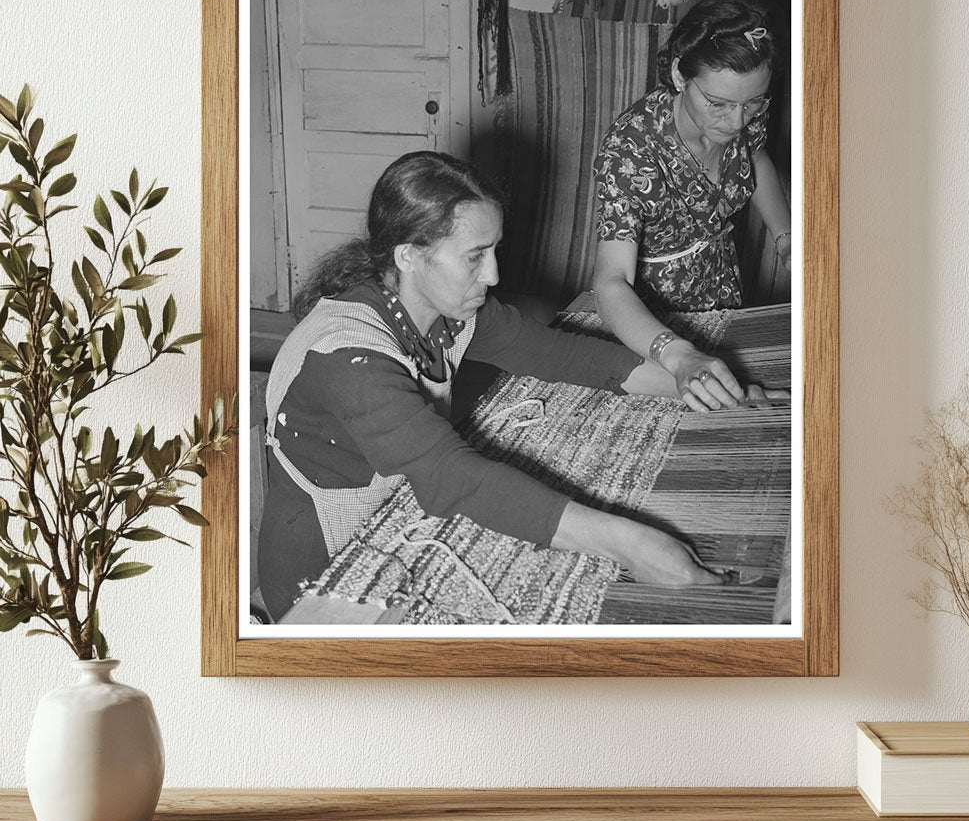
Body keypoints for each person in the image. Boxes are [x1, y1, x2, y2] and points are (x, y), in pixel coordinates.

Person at [258, 151, 731, 621]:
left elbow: (563, 355)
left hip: (396, 511)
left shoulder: (444, 308)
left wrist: (694, 381)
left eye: (494, 250)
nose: (494, 275)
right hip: (328, 567)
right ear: (409, 256)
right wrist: (631, 544)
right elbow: (450, 477)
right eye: (474, 257)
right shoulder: (347, 356)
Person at [592, 0, 792, 414]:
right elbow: (611, 282)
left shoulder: (743, 106)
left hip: (724, 289)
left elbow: (754, 155)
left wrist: (785, 236)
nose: (736, 121)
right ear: (680, 75)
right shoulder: (630, 152)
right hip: (653, 321)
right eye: (717, 104)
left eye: (752, 103)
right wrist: (675, 353)